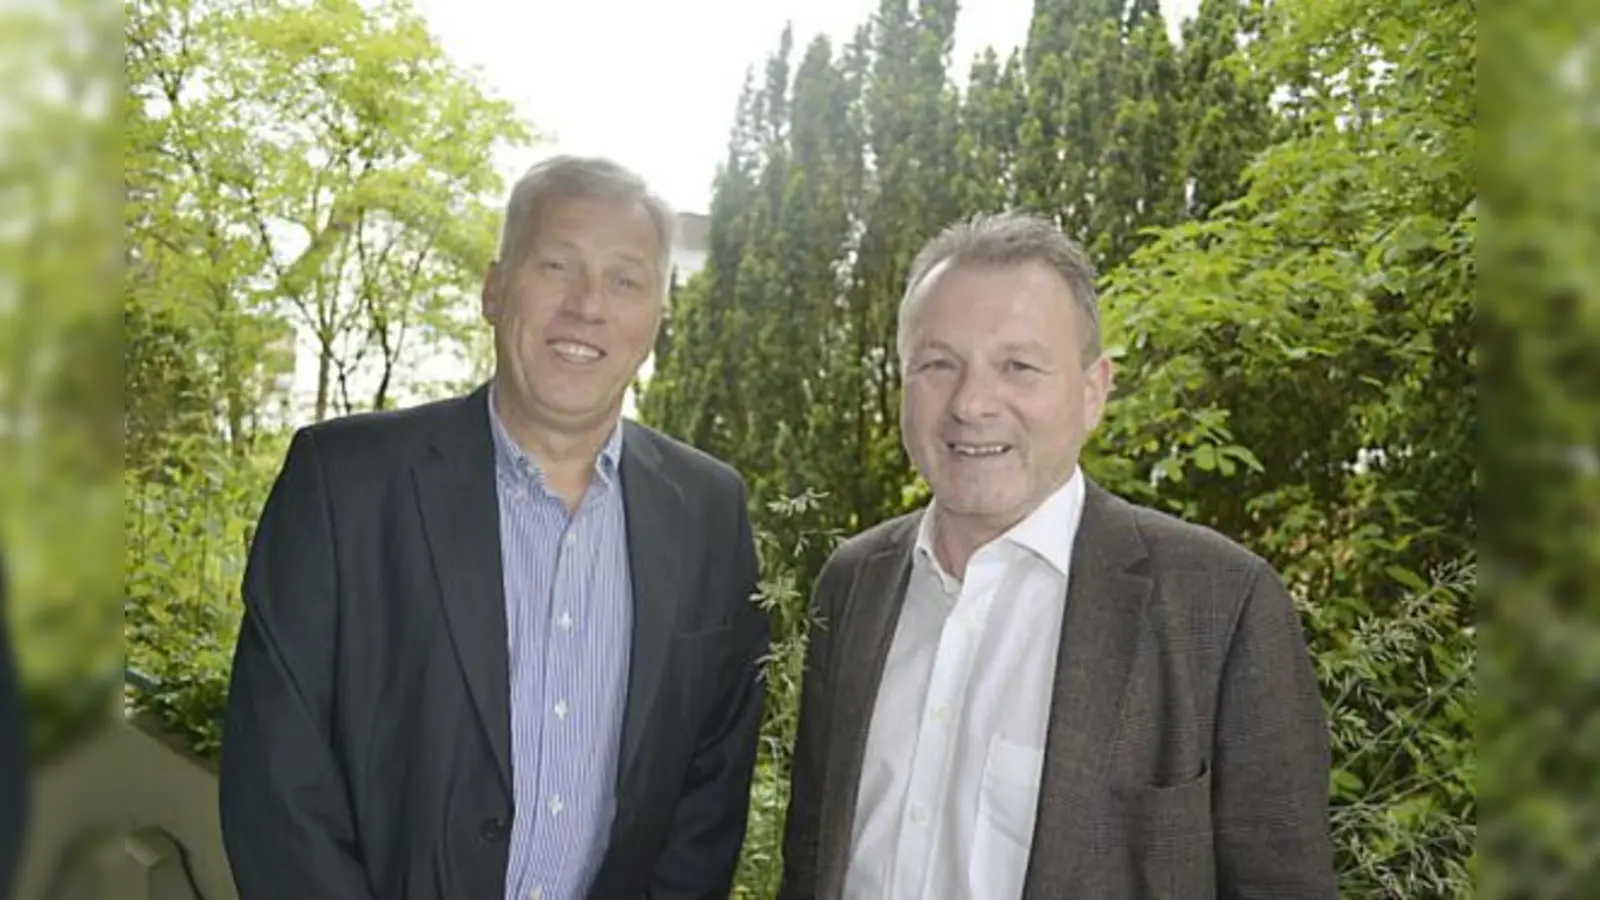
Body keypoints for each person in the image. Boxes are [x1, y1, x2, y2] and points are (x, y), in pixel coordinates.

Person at [220, 155, 770, 900]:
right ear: (494, 288)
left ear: (658, 318)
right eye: (557, 265)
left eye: (626, 280)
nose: (588, 305)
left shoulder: (709, 512)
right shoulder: (343, 483)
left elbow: (711, 786)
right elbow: (275, 779)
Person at [779, 211, 1338, 898]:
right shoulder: (853, 584)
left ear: (1094, 391)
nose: (972, 403)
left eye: (1018, 366)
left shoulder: (1220, 606)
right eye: (938, 364)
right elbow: (810, 857)